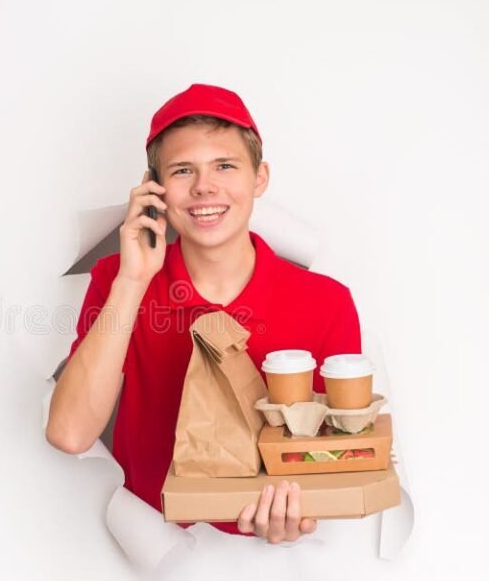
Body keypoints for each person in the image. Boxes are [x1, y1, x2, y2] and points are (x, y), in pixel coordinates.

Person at [46, 83, 361, 544]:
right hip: (145, 552)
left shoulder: (326, 302)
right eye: (182, 170)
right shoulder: (119, 280)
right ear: (154, 188)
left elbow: (332, 466)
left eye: (225, 166)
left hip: (273, 568)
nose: (204, 187)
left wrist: (297, 517)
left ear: (260, 177)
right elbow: (70, 434)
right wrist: (133, 281)